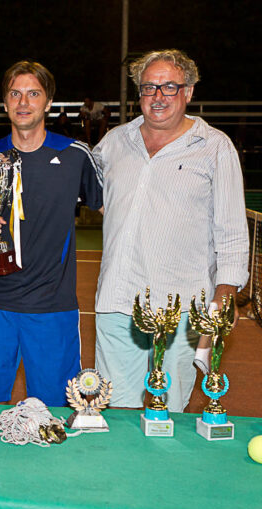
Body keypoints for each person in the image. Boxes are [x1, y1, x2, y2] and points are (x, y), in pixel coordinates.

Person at [93, 49, 249, 412]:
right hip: (117, 302)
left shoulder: (215, 148)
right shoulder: (114, 142)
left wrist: (224, 294)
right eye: (149, 87)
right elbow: (83, 189)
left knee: (170, 416)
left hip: (183, 309)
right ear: (139, 94)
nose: (158, 96)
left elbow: (232, 231)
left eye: (169, 87)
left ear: (189, 91)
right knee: (114, 413)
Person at [0, 61, 103, 406]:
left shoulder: (75, 155)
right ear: (4, 102)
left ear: (48, 102)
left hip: (52, 306)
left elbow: (110, 210)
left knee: (55, 409)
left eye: (33, 94)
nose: (23, 102)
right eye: (15, 94)